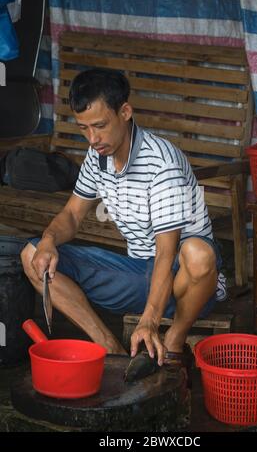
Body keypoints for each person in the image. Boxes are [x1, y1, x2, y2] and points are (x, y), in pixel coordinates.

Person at [21, 68, 226, 380]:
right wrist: (49, 240)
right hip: (139, 276)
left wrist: (149, 321)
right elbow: (73, 215)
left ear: (125, 112)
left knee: (198, 252)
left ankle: (174, 343)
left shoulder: (162, 164)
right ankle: (110, 349)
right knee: (32, 254)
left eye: (100, 126)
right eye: (84, 129)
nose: (93, 139)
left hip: (186, 282)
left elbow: (165, 254)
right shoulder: (97, 156)